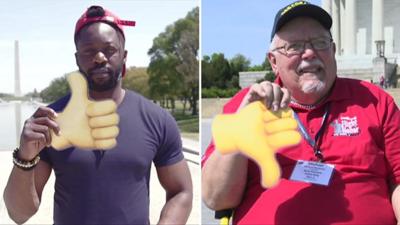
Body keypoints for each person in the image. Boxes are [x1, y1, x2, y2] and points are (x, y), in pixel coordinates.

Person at [202, 1, 400, 224]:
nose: (309, 53)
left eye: (320, 42)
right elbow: (216, 198)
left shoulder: (373, 100)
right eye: (294, 46)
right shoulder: (248, 105)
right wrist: (239, 132)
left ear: (333, 51)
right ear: (273, 61)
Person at [3, 5, 192, 225]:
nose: (100, 57)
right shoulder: (51, 122)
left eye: (109, 49)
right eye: (89, 50)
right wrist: (24, 158)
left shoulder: (157, 120)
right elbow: (19, 214)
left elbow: (181, 191)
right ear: (77, 58)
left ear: (124, 56)